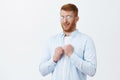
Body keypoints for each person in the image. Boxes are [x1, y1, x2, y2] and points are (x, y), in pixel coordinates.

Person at [39, 3, 97, 80]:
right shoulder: (52, 40)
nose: (64, 20)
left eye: (68, 17)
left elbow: (92, 71)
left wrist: (72, 55)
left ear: (76, 19)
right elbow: (42, 71)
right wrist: (54, 59)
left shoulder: (86, 40)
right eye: (62, 17)